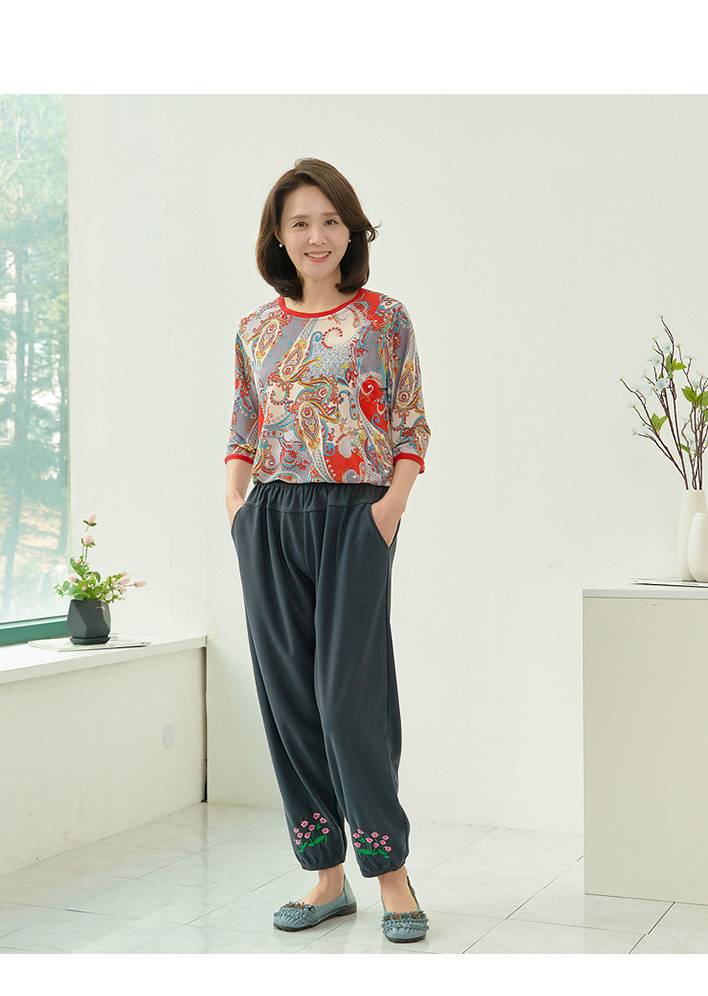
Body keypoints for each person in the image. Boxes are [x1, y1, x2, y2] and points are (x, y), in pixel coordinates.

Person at [227, 153, 429, 933]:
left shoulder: (385, 319)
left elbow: (409, 422)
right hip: (272, 517)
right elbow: (244, 425)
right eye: (300, 223)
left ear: (352, 230)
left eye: (330, 221)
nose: (316, 236)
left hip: (357, 517)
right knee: (290, 701)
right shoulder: (256, 329)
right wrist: (237, 504)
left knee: (350, 702)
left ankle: (392, 875)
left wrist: (390, 508)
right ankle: (325, 877)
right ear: (278, 236)